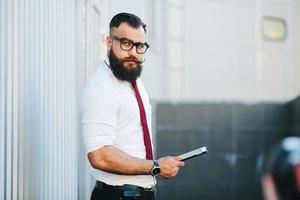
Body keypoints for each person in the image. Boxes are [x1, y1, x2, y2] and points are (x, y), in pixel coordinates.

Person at [81, 12, 185, 200]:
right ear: (109, 42)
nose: (133, 53)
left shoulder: (132, 79)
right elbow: (100, 155)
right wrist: (155, 167)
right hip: (118, 195)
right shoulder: (102, 87)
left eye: (139, 46)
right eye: (126, 43)